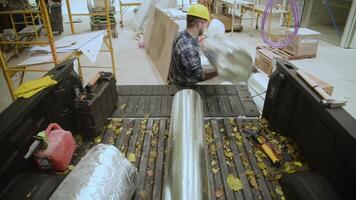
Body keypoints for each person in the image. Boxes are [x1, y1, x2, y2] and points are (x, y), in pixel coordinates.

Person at [168, 4, 217, 85]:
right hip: (182, 87)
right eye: (205, 24)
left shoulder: (181, 34)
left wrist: (199, 39)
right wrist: (218, 72)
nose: (206, 27)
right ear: (199, 23)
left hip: (176, 76)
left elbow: (191, 41)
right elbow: (199, 76)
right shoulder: (188, 49)